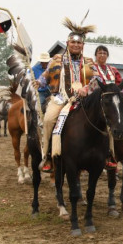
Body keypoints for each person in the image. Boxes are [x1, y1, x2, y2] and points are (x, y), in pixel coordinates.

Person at [39, 19, 97, 172]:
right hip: (61, 99)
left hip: (85, 100)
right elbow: (45, 77)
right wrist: (38, 82)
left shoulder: (89, 62)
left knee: (106, 118)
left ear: (83, 45)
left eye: (79, 43)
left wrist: (87, 88)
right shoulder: (57, 60)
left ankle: (108, 155)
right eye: (73, 42)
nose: (76, 45)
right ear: (68, 43)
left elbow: (97, 80)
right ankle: (48, 156)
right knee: (48, 119)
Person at [92, 45, 123, 169]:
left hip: (110, 102)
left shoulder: (113, 69)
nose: (102, 55)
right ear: (96, 55)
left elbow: (119, 84)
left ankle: (111, 154)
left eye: (104, 53)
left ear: (107, 56)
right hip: (94, 100)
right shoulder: (91, 67)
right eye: (99, 53)